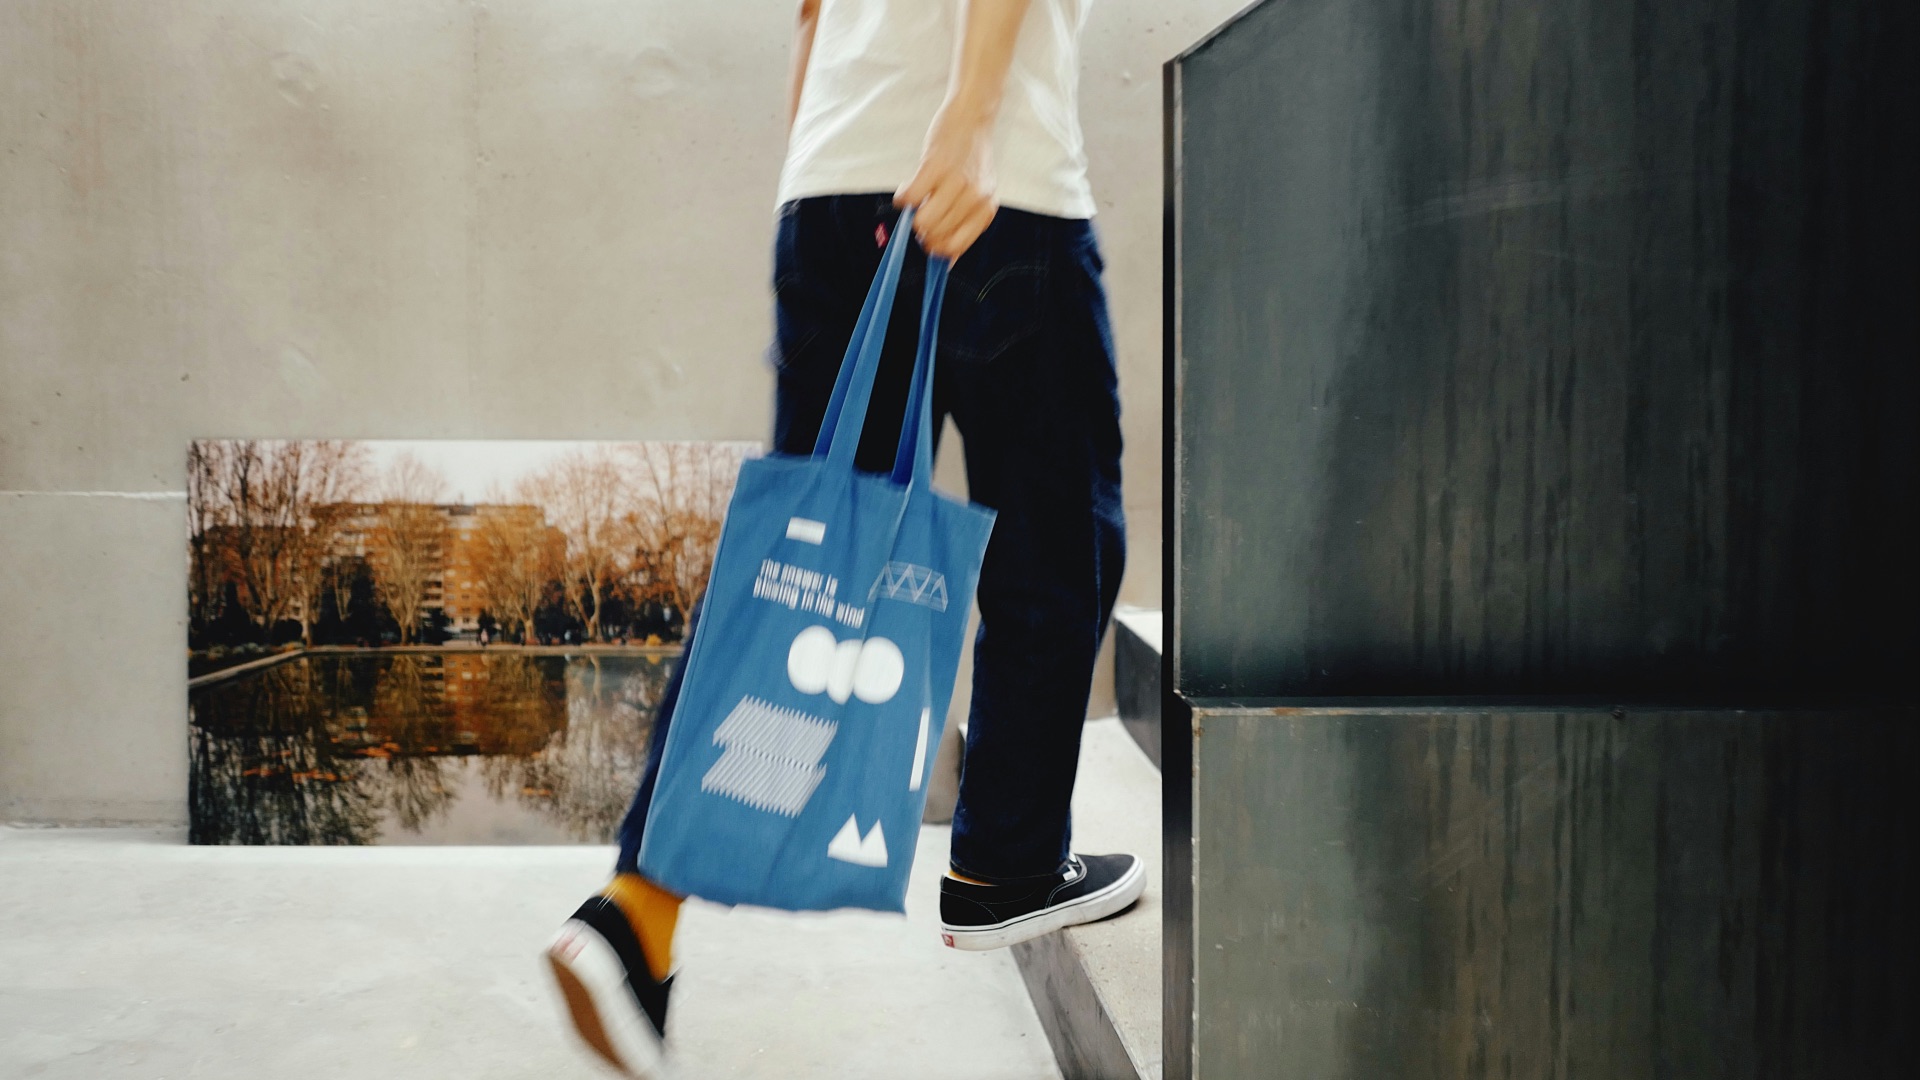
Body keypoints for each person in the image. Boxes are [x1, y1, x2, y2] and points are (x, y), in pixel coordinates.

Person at [544, 2, 1138, 1074]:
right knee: (1059, 544)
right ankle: (1006, 865)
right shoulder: (977, 148)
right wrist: (967, 118)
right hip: (990, 184)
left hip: (827, 186)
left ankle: (640, 905)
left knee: (800, 568)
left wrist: (818, 172)